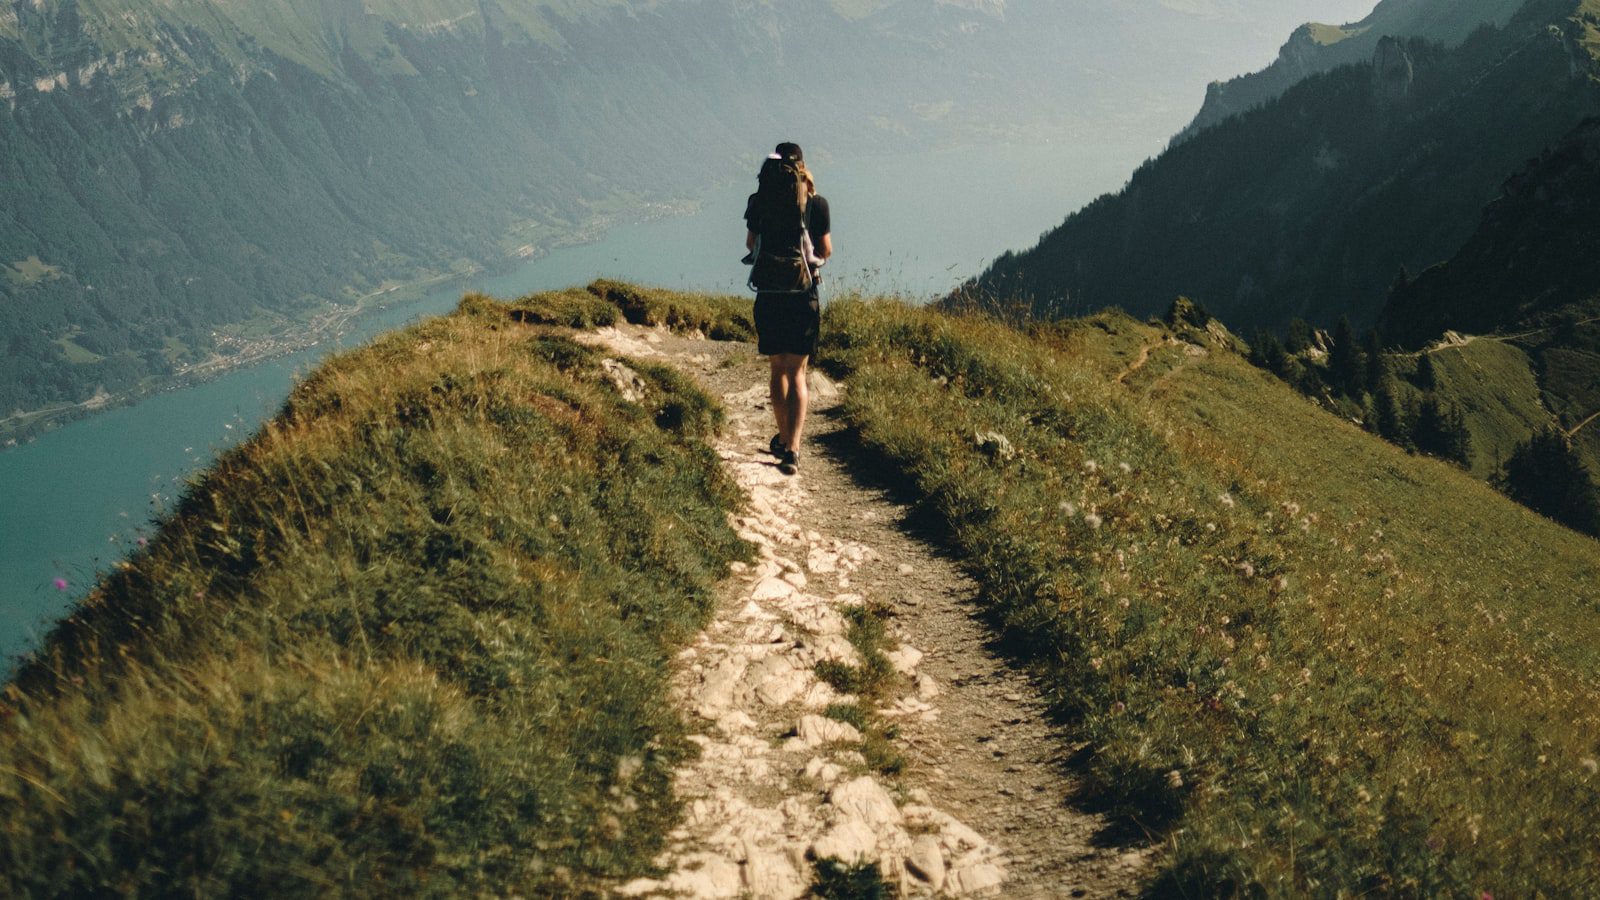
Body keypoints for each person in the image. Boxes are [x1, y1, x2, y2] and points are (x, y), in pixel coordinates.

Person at [744, 142, 831, 475]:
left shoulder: (759, 201)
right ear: (802, 167)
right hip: (802, 295)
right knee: (798, 372)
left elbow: (751, 244)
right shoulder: (817, 204)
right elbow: (825, 250)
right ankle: (792, 450)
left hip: (768, 294)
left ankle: (782, 438)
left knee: (777, 369)